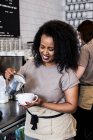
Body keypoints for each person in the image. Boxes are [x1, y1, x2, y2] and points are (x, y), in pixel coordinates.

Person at [5, 20, 79, 140]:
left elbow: (72, 106)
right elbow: (13, 88)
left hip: (58, 131)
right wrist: (10, 76)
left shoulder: (66, 72)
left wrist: (43, 103)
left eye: (51, 49)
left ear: (62, 49)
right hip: (32, 127)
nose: (45, 52)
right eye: (42, 46)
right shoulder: (30, 64)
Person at [74, 20, 93, 140]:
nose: (80, 38)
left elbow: (78, 74)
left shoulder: (86, 49)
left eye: (80, 34)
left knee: (82, 125)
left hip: (88, 94)